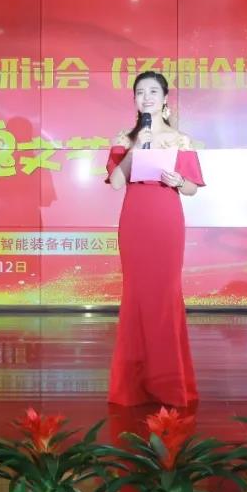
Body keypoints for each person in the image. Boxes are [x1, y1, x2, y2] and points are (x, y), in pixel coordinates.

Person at [104, 70, 204, 407]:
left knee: (165, 297)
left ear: (164, 99)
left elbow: (191, 189)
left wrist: (178, 181)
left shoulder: (180, 140)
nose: (145, 97)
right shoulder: (124, 138)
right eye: (140, 92)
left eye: (152, 92)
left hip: (166, 222)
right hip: (135, 222)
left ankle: (169, 384)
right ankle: (132, 387)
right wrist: (135, 150)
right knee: (136, 297)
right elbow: (116, 182)